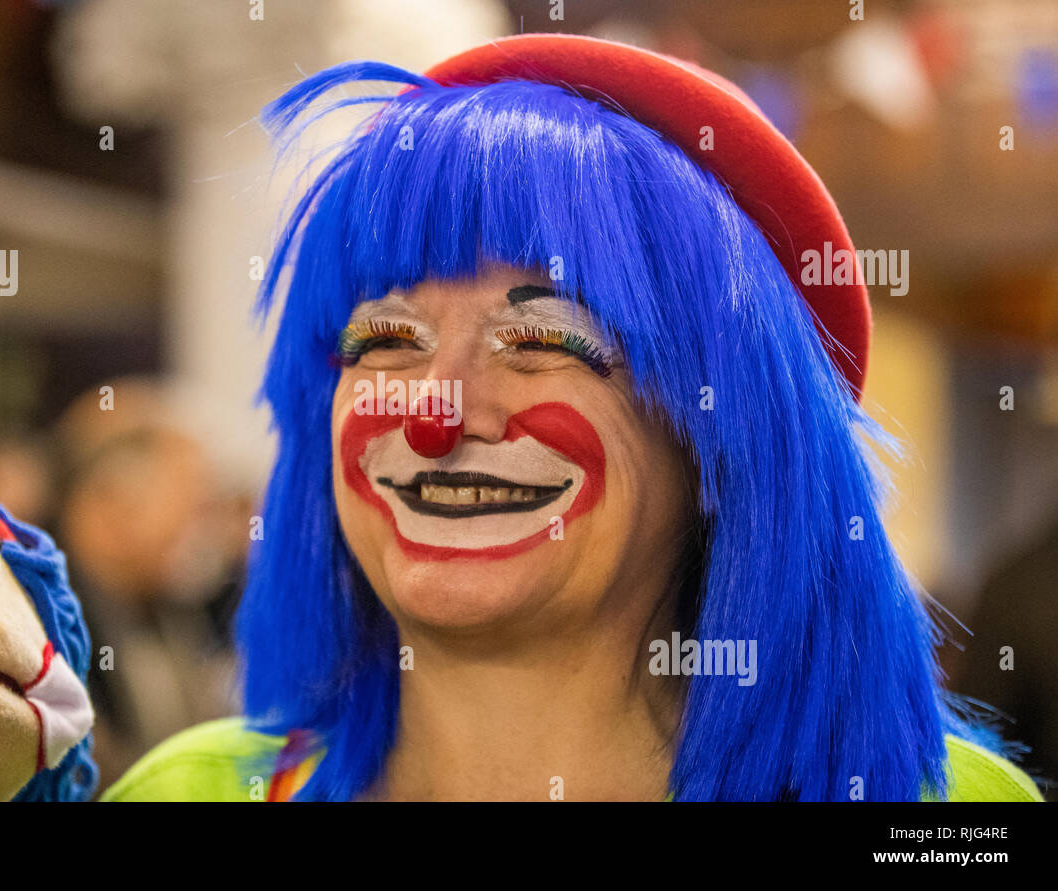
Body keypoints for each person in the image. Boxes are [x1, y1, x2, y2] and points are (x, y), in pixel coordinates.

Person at [104, 34, 1042, 801]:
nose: (433, 410)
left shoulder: (936, 809)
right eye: (386, 338)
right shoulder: (187, 791)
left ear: (720, 436)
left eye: (544, 338)